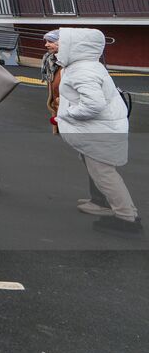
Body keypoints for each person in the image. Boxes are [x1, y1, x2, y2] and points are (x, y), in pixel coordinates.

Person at [55, 28, 139, 236]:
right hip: (103, 129)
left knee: (105, 175)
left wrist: (68, 113)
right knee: (102, 172)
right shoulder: (88, 66)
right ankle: (119, 209)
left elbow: (93, 105)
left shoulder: (82, 70)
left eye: (61, 43)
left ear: (75, 47)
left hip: (100, 131)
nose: (57, 47)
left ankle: (127, 218)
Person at [43, 32, 112, 215]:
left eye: (51, 41)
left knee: (95, 160)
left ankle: (103, 201)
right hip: (77, 119)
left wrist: (67, 106)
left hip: (89, 122)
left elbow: (90, 98)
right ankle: (97, 197)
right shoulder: (55, 63)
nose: (47, 45)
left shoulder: (73, 66)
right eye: (46, 41)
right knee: (87, 158)